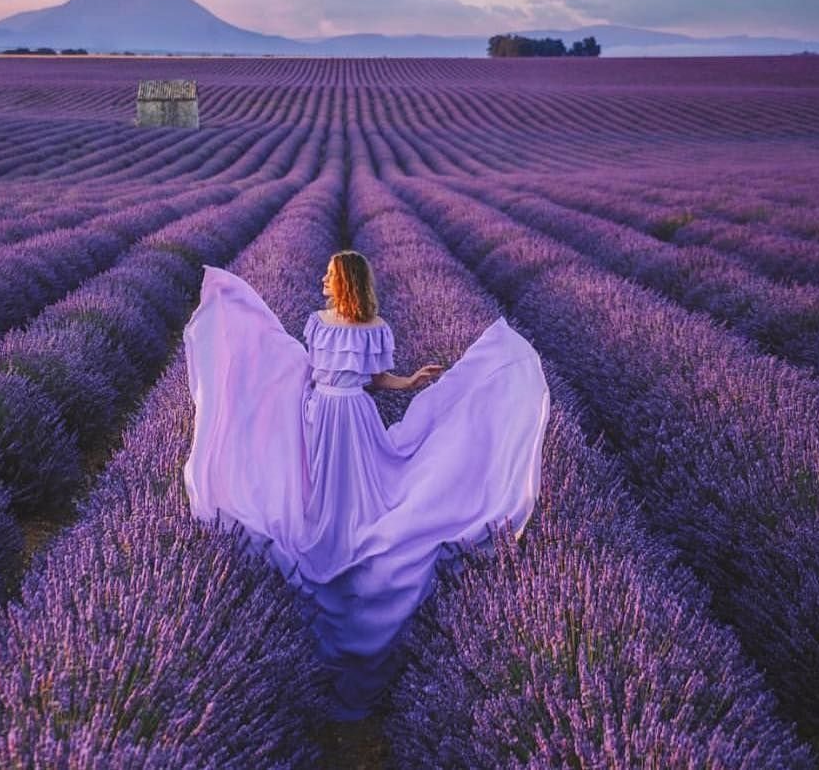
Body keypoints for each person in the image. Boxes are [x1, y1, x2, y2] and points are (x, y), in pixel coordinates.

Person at [183, 250, 550, 717]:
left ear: (345, 282)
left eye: (329, 275)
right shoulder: (331, 322)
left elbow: (372, 380)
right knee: (333, 494)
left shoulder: (361, 326)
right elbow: (343, 377)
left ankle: (338, 553)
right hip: (335, 417)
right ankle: (345, 552)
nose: (321, 280)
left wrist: (413, 380)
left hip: (341, 417)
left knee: (342, 497)